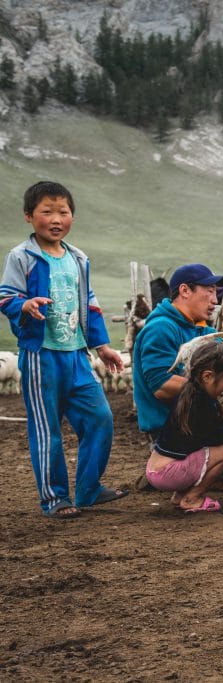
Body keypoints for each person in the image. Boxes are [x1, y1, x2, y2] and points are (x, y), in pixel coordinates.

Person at [0, 181, 127, 519]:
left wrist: (102, 347)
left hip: (77, 356)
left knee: (100, 418)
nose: (56, 219)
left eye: (63, 212)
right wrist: (24, 305)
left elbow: (90, 305)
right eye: (47, 211)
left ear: (73, 216)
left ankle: (88, 489)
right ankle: (55, 497)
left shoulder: (79, 258)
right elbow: (6, 295)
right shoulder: (22, 256)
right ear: (29, 216)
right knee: (48, 429)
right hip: (41, 355)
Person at [146, 341, 223, 512]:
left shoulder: (189, 394)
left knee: (197, 452)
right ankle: (192, 497)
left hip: (156, 468)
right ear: (207, 376)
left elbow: (204, 428)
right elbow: (212, 437)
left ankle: (180, 495)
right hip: (167, 473)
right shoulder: (200, 403)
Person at [133, 263, 223, 440]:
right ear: (185, 291)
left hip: (195, 427)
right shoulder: (161, 328)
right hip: (171, 434)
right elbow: (163, 386)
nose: (215, 300)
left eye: (216, 292)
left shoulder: (202, 331)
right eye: (209, 290)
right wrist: (219, 386)